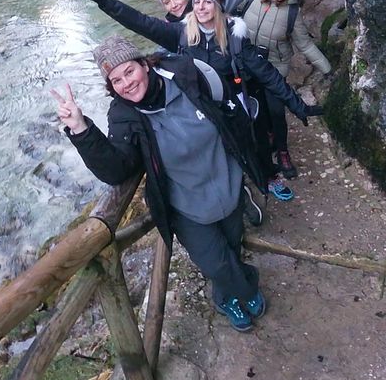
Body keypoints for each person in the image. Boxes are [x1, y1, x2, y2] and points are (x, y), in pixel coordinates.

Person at [54, 35, 267, 331]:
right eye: (116, 80)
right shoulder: (123, 115)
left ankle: (224, 295)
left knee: (232, 245)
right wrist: (80, 128)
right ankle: (246, 288)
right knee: (214, 262)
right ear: (111, 88)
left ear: (145, 64)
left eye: (129, 71)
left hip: (228, 184)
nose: (126, 83)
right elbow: (117, 169)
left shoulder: (184, 75)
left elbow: (226, 109)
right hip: (185, 204)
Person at [75, 0, 319, 201]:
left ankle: (268, 176)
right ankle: (235, 192)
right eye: (198, 1)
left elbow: (267, 74)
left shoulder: (234, 38)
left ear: (218, 7)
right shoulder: (181, 34)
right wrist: (105, 3)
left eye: (208, 2)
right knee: (214, 151)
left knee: (254, 141)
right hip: (197, 105)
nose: (201, 7)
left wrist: (297, 105)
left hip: (230, 103)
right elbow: (142, 23)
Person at [241, 0, 332, 178]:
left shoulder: (292, 12)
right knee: (257, 110)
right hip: (250, 65)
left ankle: (283, 151)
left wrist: (327, 70)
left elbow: (305, 45)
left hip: (275, 68)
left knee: (276, 111)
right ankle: (266, 141)